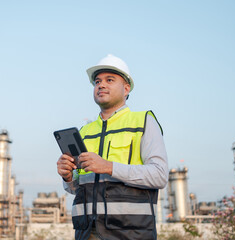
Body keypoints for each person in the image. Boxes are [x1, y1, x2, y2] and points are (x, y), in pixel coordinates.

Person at [57, 54, 168, 240]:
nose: (101, 85)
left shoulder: (143, 122)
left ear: (126, 88)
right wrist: (67, 177)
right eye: (97, 81)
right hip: (86, 232)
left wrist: (109, 167)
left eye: (110, 80)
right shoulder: (84, 131)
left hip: (131, 233)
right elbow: (77, 188)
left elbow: (160, 175)